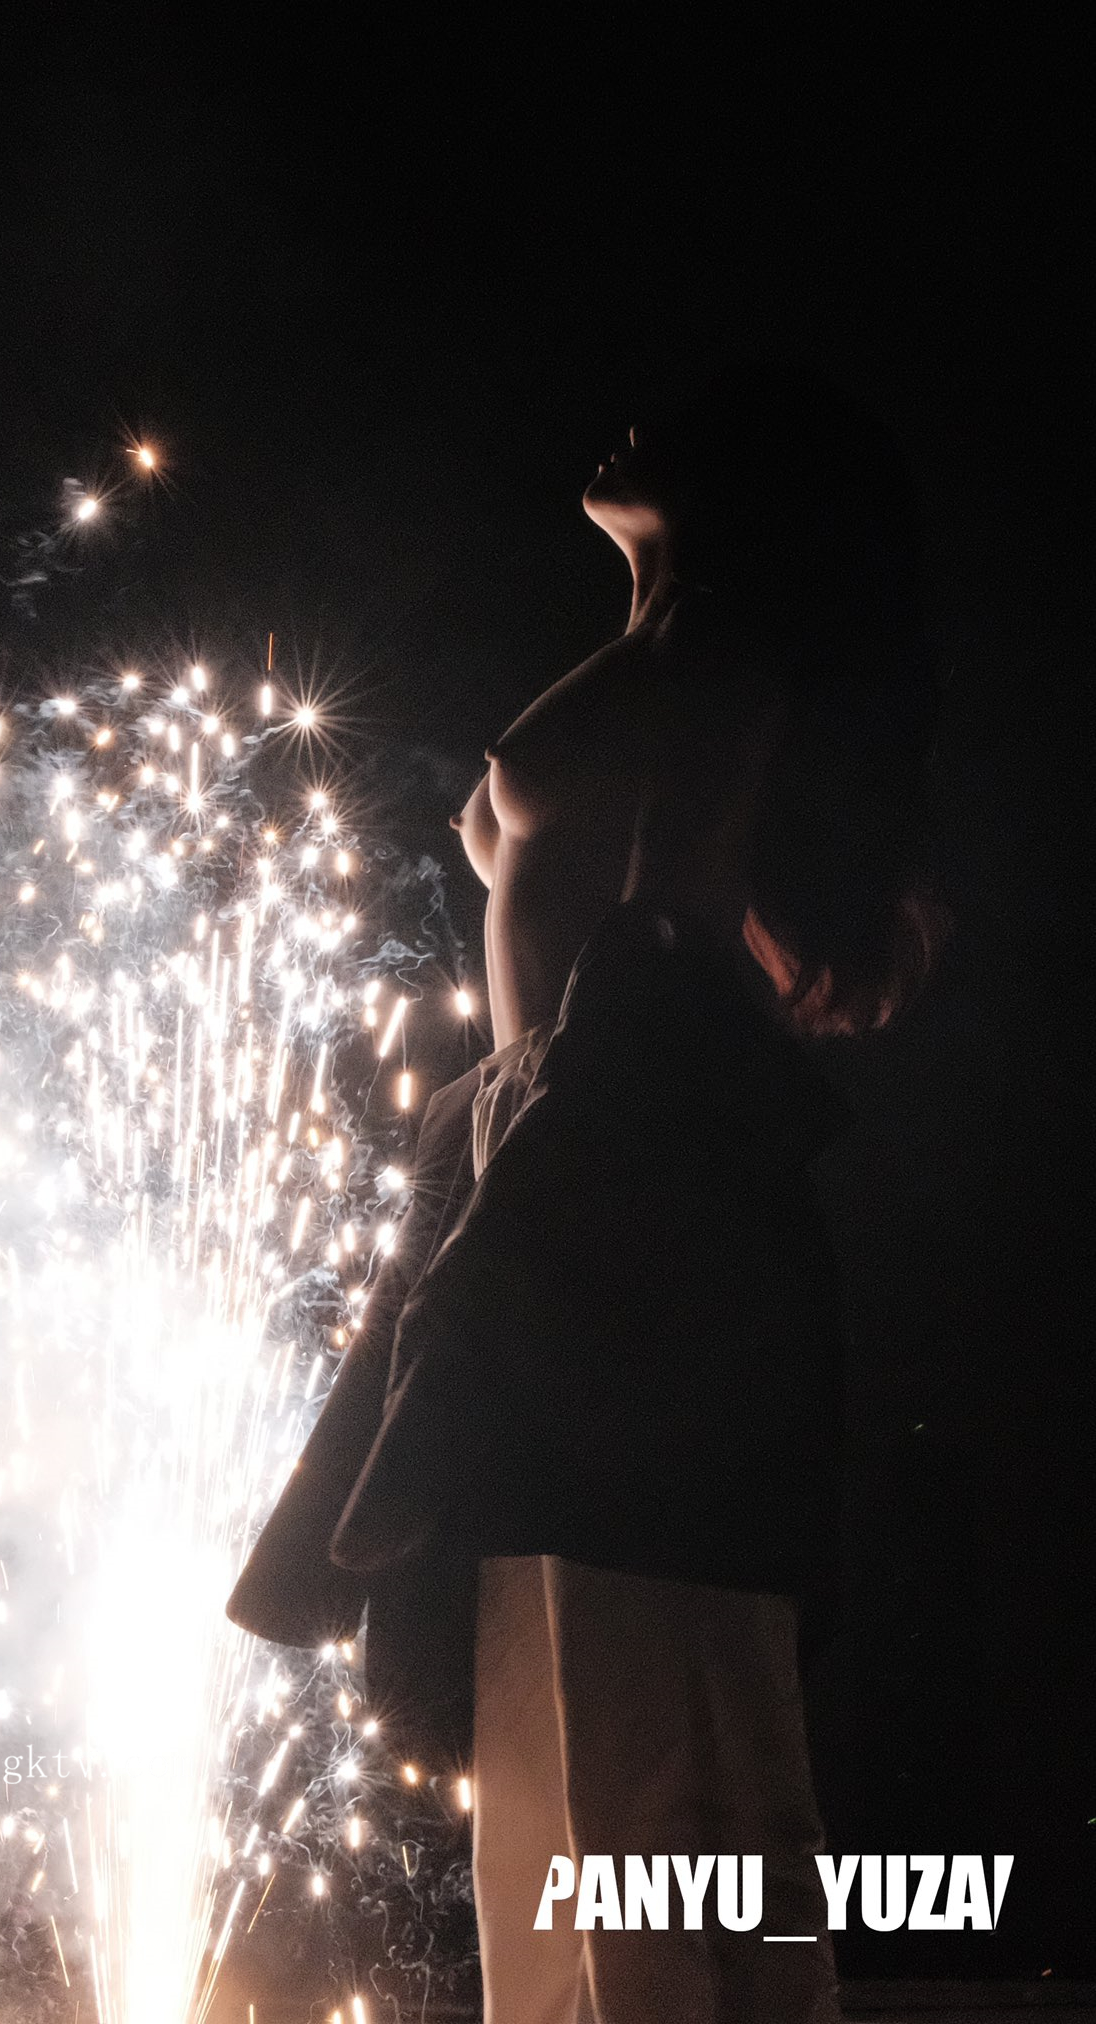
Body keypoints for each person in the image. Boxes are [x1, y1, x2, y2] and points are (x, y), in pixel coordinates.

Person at [231, 363, 945, 2023]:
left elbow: (664, 946)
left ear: (752, 487)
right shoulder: (660, 653)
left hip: (634, 1203)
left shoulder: (718, 662)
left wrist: (514, 1225)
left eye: (692, 425)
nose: (633, 425)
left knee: (653, 1713)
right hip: (574, 1171)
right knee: (557, 1707)